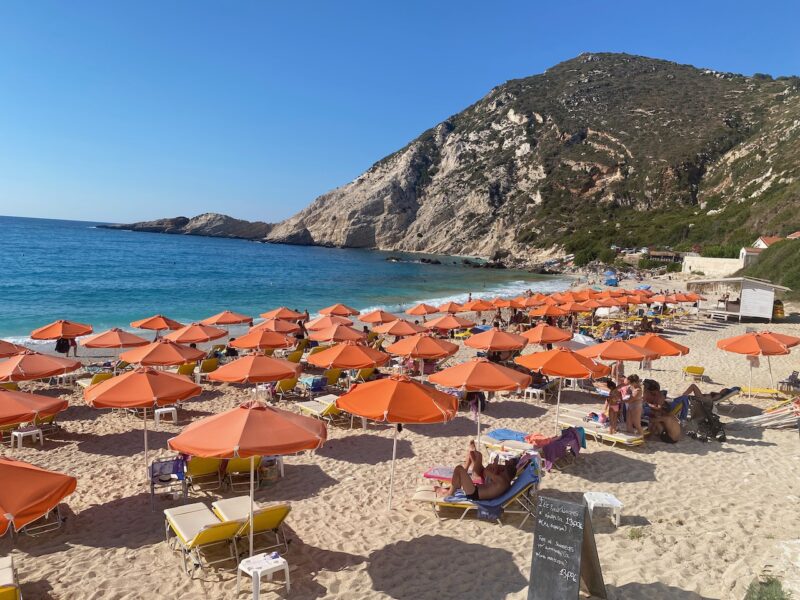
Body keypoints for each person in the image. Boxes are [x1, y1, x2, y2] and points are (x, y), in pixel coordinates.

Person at [440, 441, 516, 501]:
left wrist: (495, 465)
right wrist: (495, 467)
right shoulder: (505, 481)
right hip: (476, 491)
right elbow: (489, 476)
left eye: (505, 466)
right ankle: (453, 488)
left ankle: (450, 493)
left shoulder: (502, 480)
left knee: (459, 468)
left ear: (507, 470)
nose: (503, 466)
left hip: (474, 493)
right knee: (461, 469)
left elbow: (486, 472)